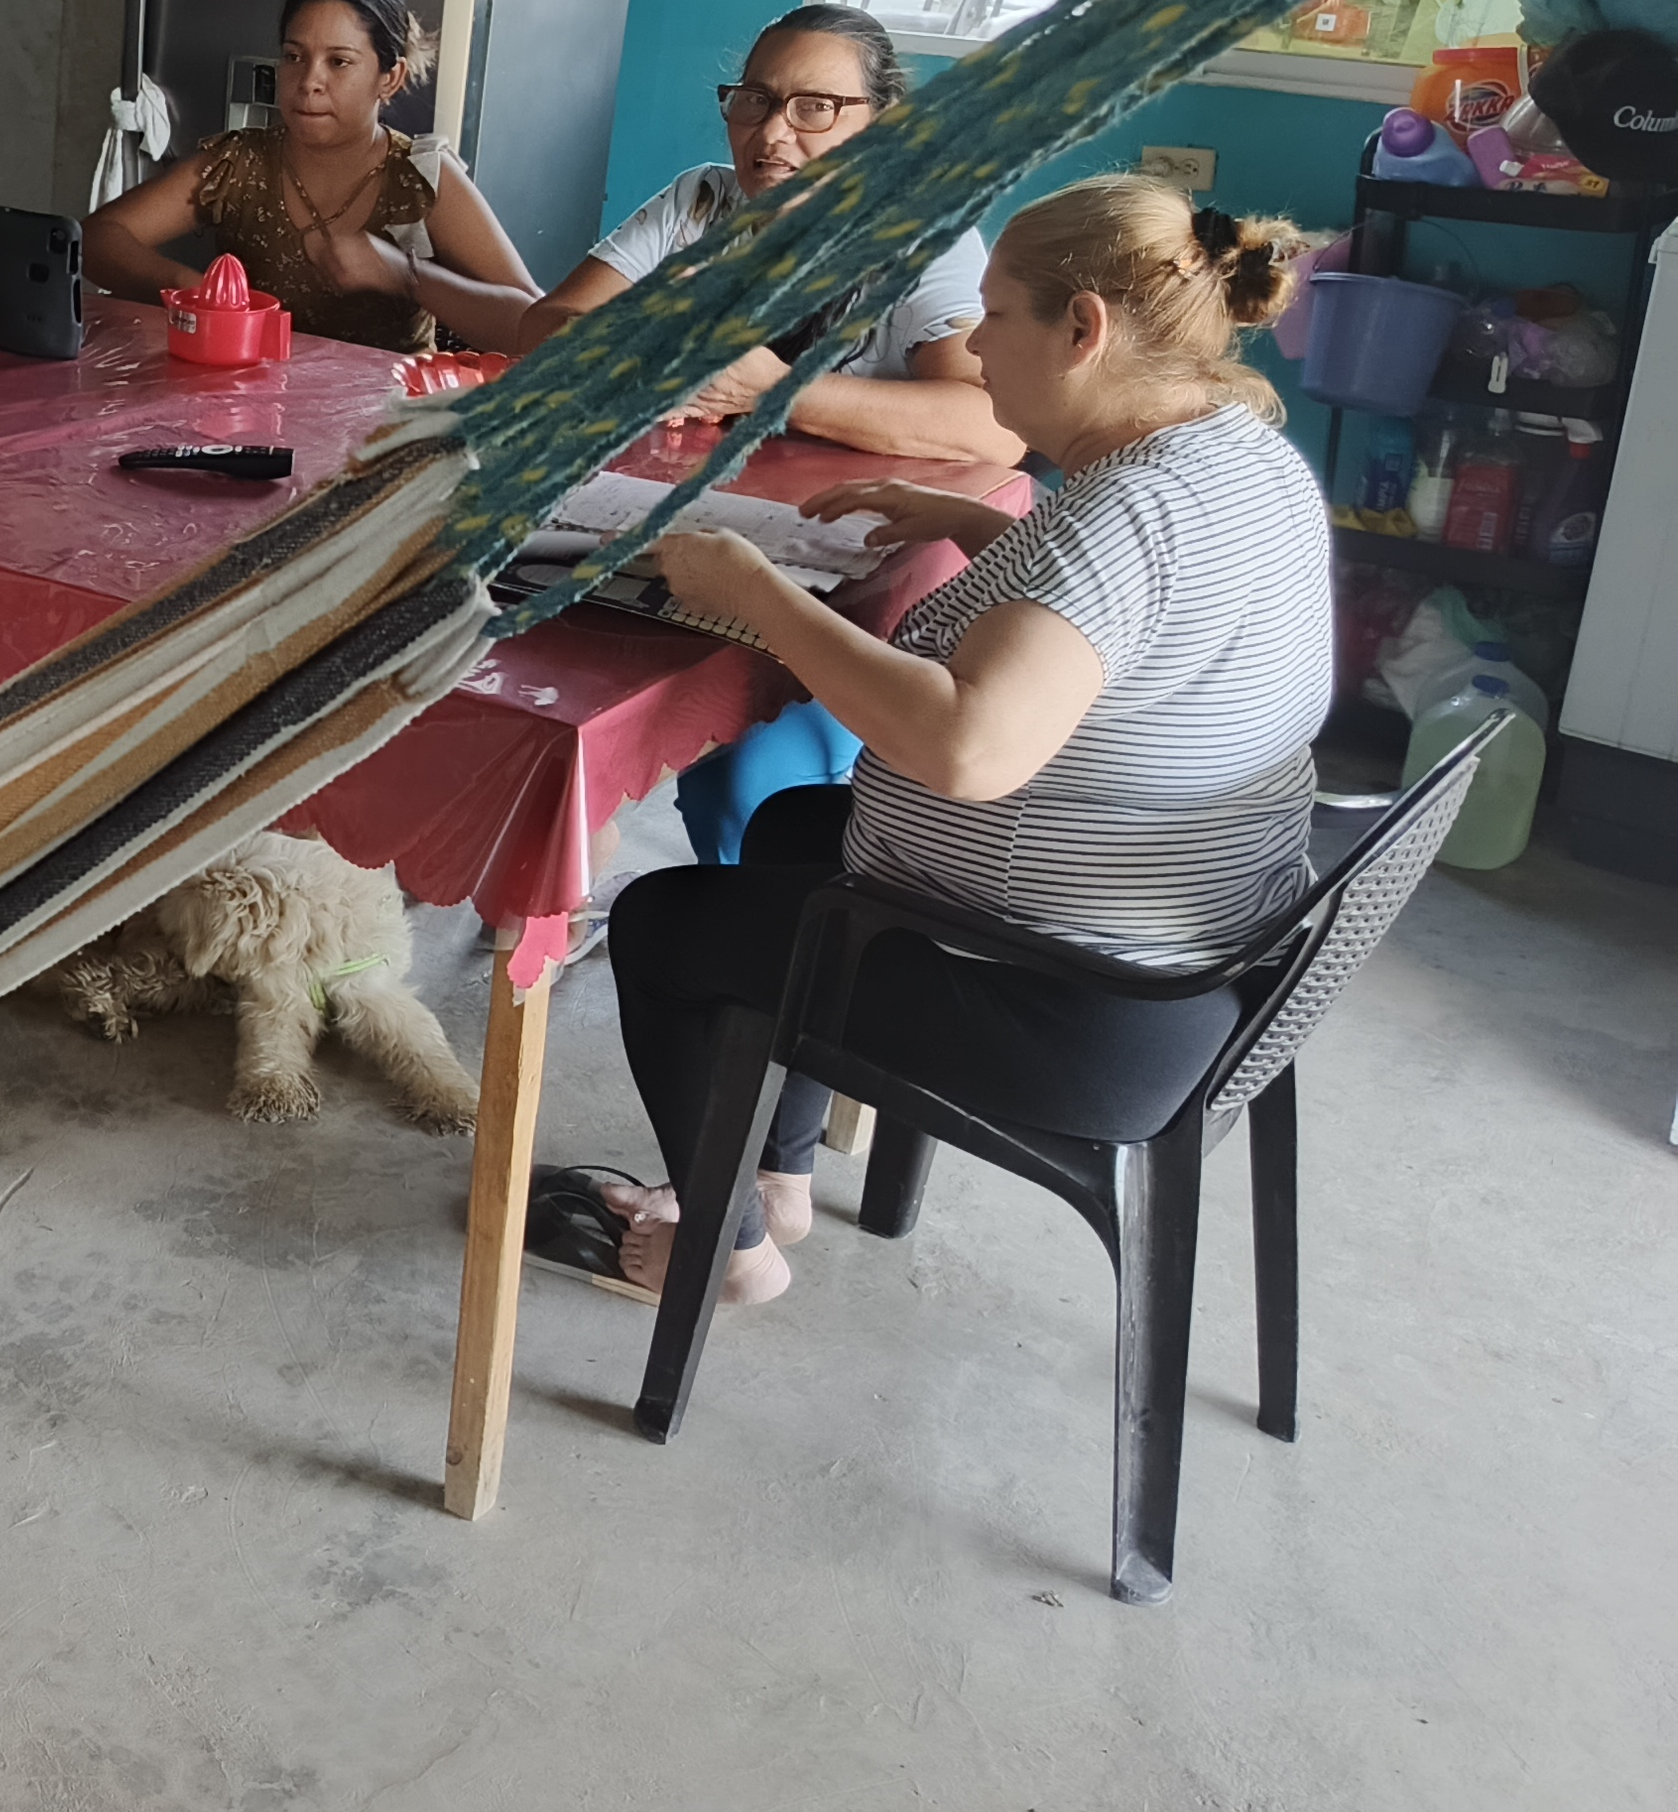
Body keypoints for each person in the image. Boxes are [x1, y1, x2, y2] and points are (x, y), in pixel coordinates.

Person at [565, 177, 1329, 1307]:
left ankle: (727, 1255)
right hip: (1184, 953)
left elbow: (969, 752)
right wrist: (977, 526)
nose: (972, 347)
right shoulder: (1233, 452)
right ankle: (776, 1174)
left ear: (1083, 329)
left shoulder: (1126, 514)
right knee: (792, 827)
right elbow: (1126, 620)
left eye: (996, 315)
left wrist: (756, 592)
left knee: (662, 925)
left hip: (1071, 1009)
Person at [416, 2, 1024, 861]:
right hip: (699, 527)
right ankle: (543, 879)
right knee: (525, 668)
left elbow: (991, 425)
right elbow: (548, 328)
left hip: (856, 575)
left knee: (746, 790)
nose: (772, 133)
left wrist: (775, 391)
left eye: (815, 107)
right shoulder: (703, 203)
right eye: (754, 100)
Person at [80, 0, 534, 351]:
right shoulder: (240, 164)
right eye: (294, 56)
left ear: (389, 79)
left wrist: (406, 274)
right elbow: (97, 238)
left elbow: (533, 325)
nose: (309, 81)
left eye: (339, 62)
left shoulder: (421, 178)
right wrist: (190, 289)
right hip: (245, 405)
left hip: (386, 417)